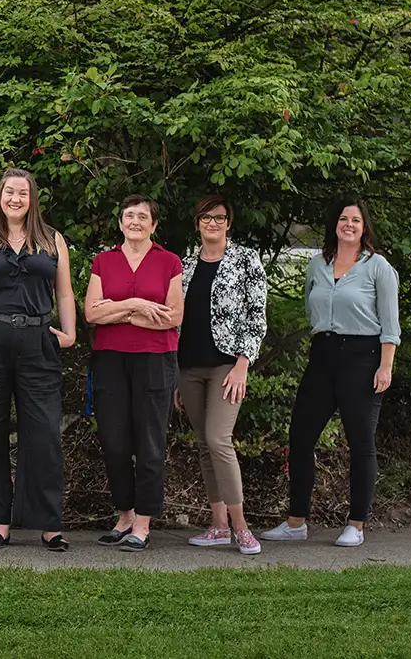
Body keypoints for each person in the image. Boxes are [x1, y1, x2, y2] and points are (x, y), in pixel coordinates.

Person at [261, 197, 399, 548]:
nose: (348, 224)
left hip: (363, 358)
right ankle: (296, 522)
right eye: (342, 219)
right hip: (322, 356)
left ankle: (356, 523)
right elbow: (311, 307)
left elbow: (390, 324)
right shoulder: (316, 265)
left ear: (364, 227)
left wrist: (385, 366)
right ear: (334, 225)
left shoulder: (377, 266)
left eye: (355, 220)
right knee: (301, 437)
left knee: (361, 443)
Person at [0, 169, 76, 551]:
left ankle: (47, 523)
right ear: (0, 196)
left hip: (38, 343)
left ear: (32, 198)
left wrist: (69, 333)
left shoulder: (52, 240)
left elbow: (66, 293)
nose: (15, 198)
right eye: (10, 191)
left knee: (42, 434)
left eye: (22, 193)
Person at [83, 194, 183, 552]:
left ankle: (143, 523)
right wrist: (138, 306)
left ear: (154, 225)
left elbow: (172, 317)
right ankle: (124, 517)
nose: (135, 221)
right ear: (120, 222)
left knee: (150, 444)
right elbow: (92, 315)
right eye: (129, 215)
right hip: (110, 359)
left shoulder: (169, 262)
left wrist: (118, 312)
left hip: (155, 361)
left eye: (143, 216)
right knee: (114, 442)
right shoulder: (103, 261)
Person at [176, 196, 267, 556]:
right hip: (188, 367)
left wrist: (243, 364)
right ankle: (218, 526)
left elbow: (256, 315)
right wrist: (174, 377)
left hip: (227, 367)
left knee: (218, 439)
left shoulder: (245, 260)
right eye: (206, 217)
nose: (212, 223)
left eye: (219, 217)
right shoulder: (184, 265)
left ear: (229, 223)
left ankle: (241, 528)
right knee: (203, 444)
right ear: (197, 222)